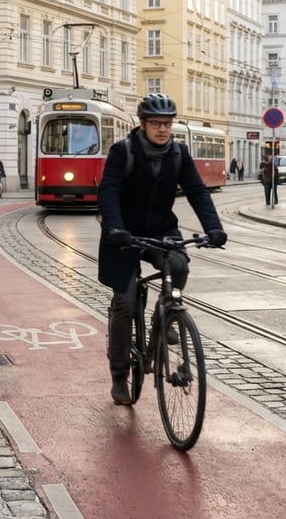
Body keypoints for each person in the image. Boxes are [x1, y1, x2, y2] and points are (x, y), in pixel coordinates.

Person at [97, 93, 227, 406]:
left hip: (161, 231)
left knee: (179, 266)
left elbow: (197, 191)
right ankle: (119, 374)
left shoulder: (178, 154)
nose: (163, 130)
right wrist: (115, 228)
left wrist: (214, 228)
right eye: (156, 124)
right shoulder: (122, 151)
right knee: (126, 303)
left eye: (167, 124)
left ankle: (164, 320)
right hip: (123, 235)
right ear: (142, 125)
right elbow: (109, 192)